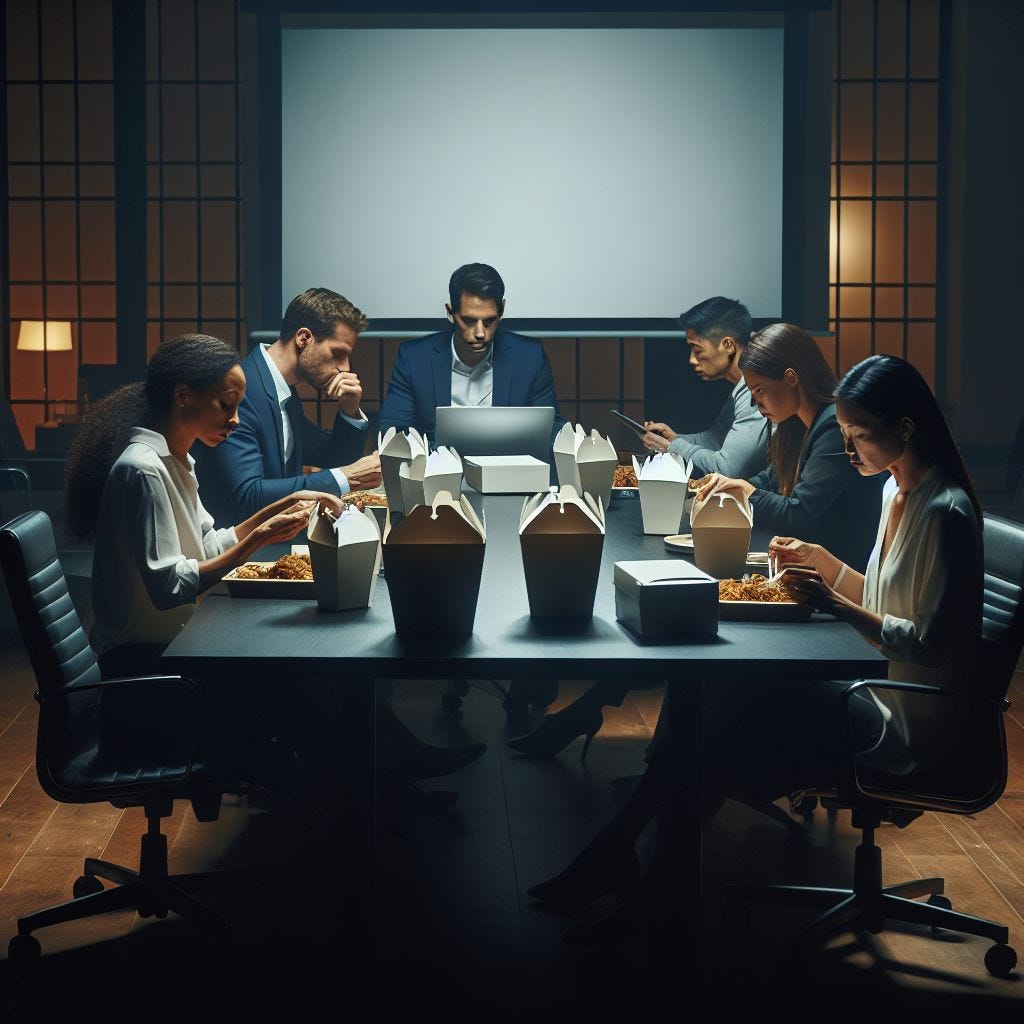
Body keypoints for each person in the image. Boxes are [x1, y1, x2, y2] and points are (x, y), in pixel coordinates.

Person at [525, 353, 983, 948]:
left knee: (720, 712)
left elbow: (927, 643)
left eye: (859, 437)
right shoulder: (897, 492)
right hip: (876, 690)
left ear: (905, 429)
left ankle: (635, 873)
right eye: (843, 436)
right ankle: (637, 871)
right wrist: (824, 564)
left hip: (907, 715)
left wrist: (836, 604)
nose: (849, 452)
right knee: (712, 702)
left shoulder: (945, 510)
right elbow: (885, 595)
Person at [63, 333, 484, 815]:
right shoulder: (141, 471)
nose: (236, 418)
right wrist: (258, 541)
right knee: (313, 683)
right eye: (226, 405)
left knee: (322, 676)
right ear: (184, 395)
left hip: (178, 654)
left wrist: (284, 506)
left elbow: (209, 543)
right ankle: (381, 801)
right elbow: (171, 587)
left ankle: (391, 782)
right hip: (150, 681)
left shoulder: (175, 460)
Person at [508, 322, 883, 760]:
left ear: (792, 378)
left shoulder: (831, 430)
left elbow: (800, 514)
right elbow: (768, 482)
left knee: (681, 616)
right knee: (671, 606)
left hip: (822, 583)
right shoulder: (795, 425)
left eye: (760, 390)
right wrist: (737, 485)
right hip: (787, 564)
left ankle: (655, 761)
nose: (756, 401)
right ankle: (653, 759)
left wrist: (744, 491)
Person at [193, 287, 382, 528]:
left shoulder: (281, 387)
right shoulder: (244, 391)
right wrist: (347, 476)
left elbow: (332, 457)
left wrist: (349, 410)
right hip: (239, 552)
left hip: (276, 537)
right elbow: (249, 496)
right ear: (304, 338)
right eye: (338, 353)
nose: (345, 368)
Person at [377, 262, 565, 442]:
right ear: (450, 312)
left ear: (502, 311)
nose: (480, 333)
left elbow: (551, 429)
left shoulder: (530, 357)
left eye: (489, 321)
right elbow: (393, 430)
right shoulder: (414, 359)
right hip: (437, 471)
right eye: (468, 321)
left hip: (506, 470)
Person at [640, 295, 767, 479]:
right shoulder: (743, 382)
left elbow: (727, 469)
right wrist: (673, 439)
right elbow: (716, 439)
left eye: (697, 350)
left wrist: (671, 447)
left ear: (728, 345)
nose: (692, 359)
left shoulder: (754, 390)